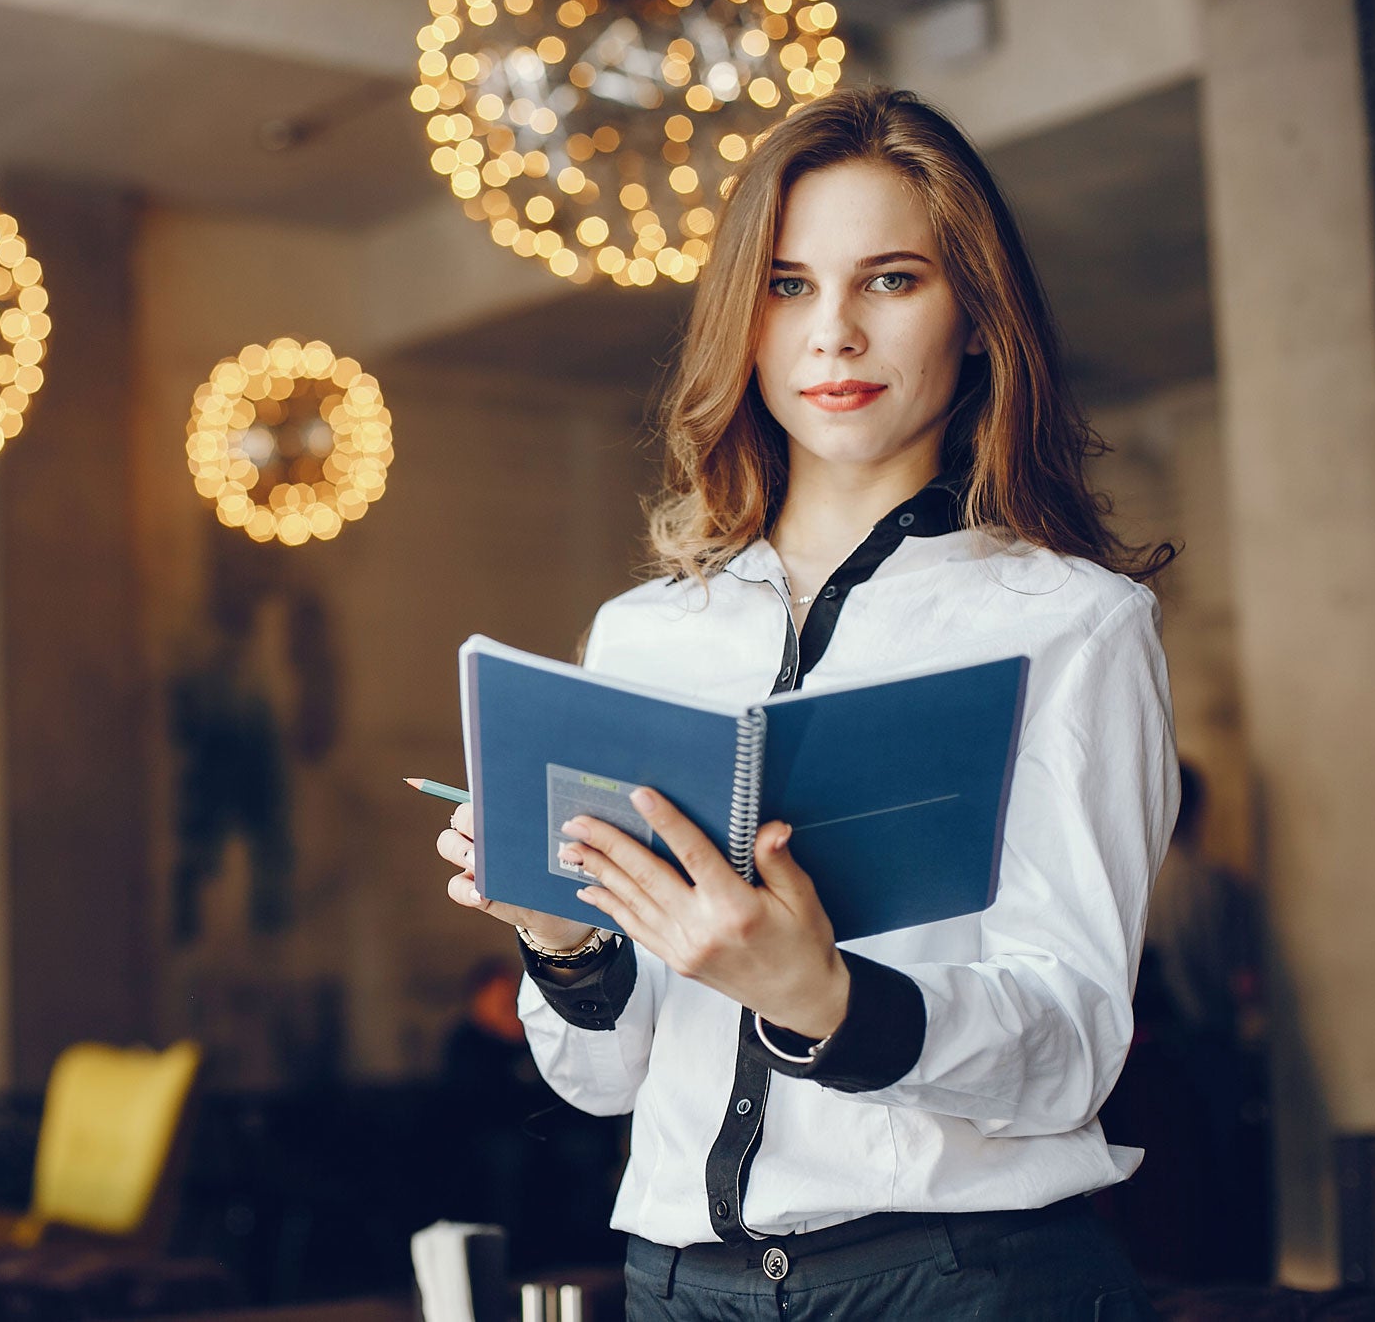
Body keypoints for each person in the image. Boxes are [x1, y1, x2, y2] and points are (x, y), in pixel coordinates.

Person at [434, 87, 1177, 1319]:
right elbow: (603, 1083)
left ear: (977, 318)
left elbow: (1072, 1046)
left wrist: (822, 996)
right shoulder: (642, 635)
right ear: (742, 322)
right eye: (784, 285)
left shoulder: (1071, 623)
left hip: (959, 1280)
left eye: (889, 280)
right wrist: (559, 938)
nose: (831, 333)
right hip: (676, 1282)